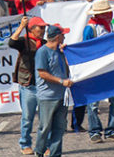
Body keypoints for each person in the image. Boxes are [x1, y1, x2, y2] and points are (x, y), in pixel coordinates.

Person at [84, 0, 114, 143]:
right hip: (96, 70)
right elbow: (87, 48)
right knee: (94, 103)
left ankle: (112, 130)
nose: (109, 14)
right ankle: (94, 131)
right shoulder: (91, 28)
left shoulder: (109, 26)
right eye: (106, 12)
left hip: (112, 69)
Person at [9, 16, 47, 155]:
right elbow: (11, 43)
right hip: (28, 86)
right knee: (27, 117)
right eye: (40, 27)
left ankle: (45, 145)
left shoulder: (45, 43)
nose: (43, 30)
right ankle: (25, 144)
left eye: (44, 27)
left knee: (45, 119)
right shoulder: (23, 42)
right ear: (32, 28)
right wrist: (21, 26)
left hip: (43, 86)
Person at [34, 24, 73, 157]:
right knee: (45, 127)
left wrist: (66, 53)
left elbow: (68, 67)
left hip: (61, 95)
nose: (64, 36)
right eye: (63, 34)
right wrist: (61, 81)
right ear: (57, 36)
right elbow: (42, 73)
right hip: (47, 96)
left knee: (59, 127)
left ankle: (55, 153)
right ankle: (39, 152)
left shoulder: (60, 52)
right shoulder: (42, 52)